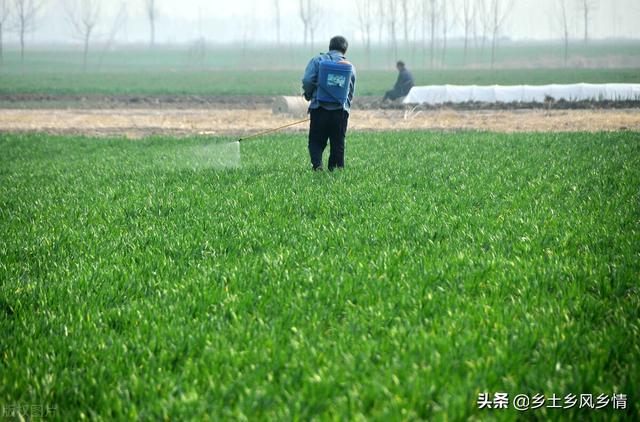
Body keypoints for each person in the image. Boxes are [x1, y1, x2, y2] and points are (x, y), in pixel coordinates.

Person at [302, 35, 356, 171]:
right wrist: (346, 107)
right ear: (345, 50)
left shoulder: (317, 60)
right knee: (338, 143)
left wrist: (308, 95)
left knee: (316, 141)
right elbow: (350, 90)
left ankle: (318, 165)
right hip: (340, 111)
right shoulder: (350, 67)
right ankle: (335, 171)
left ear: (330, 47)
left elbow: (307, 80)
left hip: (319, 108)